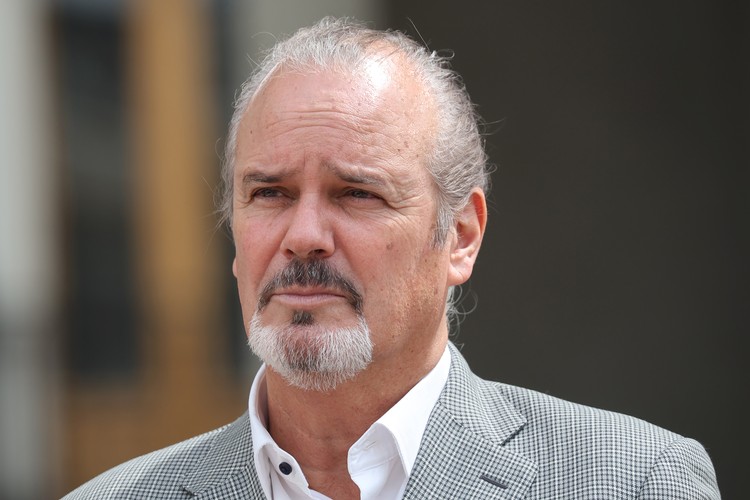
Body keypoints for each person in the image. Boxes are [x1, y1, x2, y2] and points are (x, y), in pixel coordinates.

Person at [64, 17, 719, 499]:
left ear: (460, 235)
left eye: (357, 193)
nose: (303, 235)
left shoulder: (633, 482)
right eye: (270, 194)